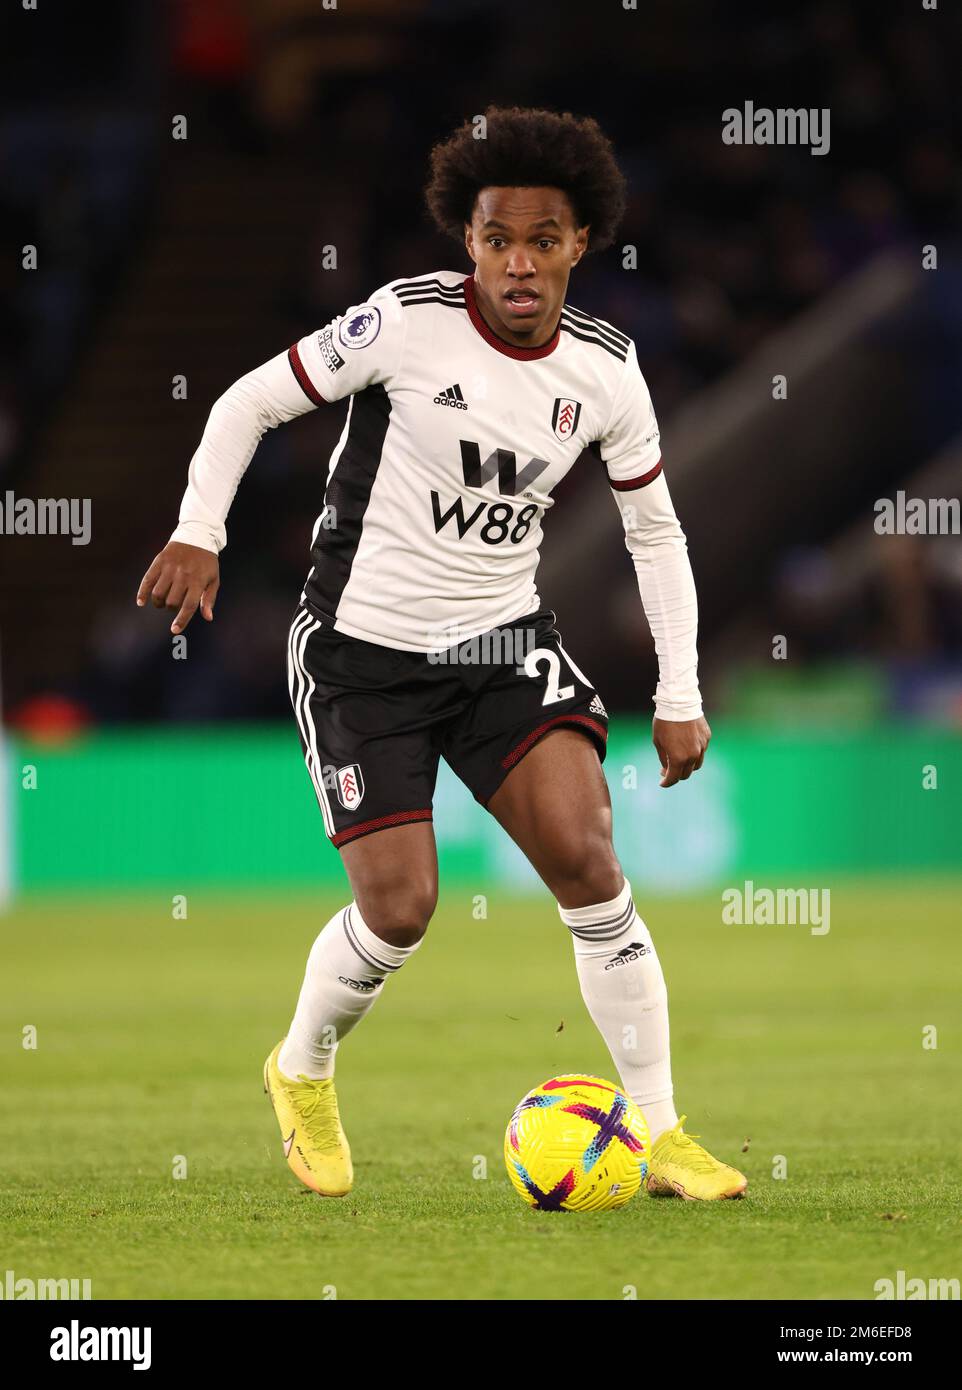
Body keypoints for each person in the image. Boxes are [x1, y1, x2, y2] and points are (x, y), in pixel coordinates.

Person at [137, 106, 747, 1202]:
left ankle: (659, 1132)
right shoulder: (401, 325)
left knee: (587, 859)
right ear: (466, 241)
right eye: (495, 237)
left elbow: (656, 533)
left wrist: (679, 689)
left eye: (542, 239)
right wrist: (199, 530)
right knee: (401, 907)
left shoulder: (609, 371)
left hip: (502, 642)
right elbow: (246, 403)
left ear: (578, 245)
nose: (518, 262)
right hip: (359, 652)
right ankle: (302, 1067)